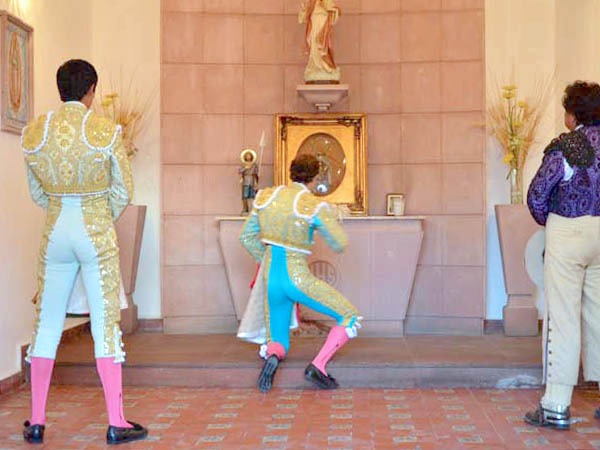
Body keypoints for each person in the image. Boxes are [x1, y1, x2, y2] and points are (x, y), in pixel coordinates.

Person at [21, 59, 147, 445]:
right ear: (91, 90)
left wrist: (61, 209)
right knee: (104, 324)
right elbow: (123, 190)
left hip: (55, 231)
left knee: (46, 324)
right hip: (94, 230)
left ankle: (37, 422)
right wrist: (98, 217)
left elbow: (36, 191)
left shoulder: (35, 132)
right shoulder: (105, 130)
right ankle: (116, 422)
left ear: (60, 88)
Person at [239, 153, 362, 392]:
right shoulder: (312, 204)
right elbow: (339, 242)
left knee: (278, 339)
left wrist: (264, 259)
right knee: (349, 316)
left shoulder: (266, 197)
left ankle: (273, 357)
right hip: (296, 278)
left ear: (292, 173)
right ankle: (318, 366)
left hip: (271, 279)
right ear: (315, 178)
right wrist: (322, 223)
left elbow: (246, 237)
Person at [526, 81, 600, 430]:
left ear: (573, 115)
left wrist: (550, 222)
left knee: (563, 316)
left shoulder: (568, 147)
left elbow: (537, 193)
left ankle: (556, 405)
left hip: (569, 232)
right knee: (599, 313)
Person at [299, 0, 341, 83]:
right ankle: (315, 68)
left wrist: (332, 10)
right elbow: (303, 17)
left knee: (322, 46)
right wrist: (304, 9)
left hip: (322, 25)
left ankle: (326, 68)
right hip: (313, 24)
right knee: (313, 46)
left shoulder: (326, 1)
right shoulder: (311, 2)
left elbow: (335, 11)